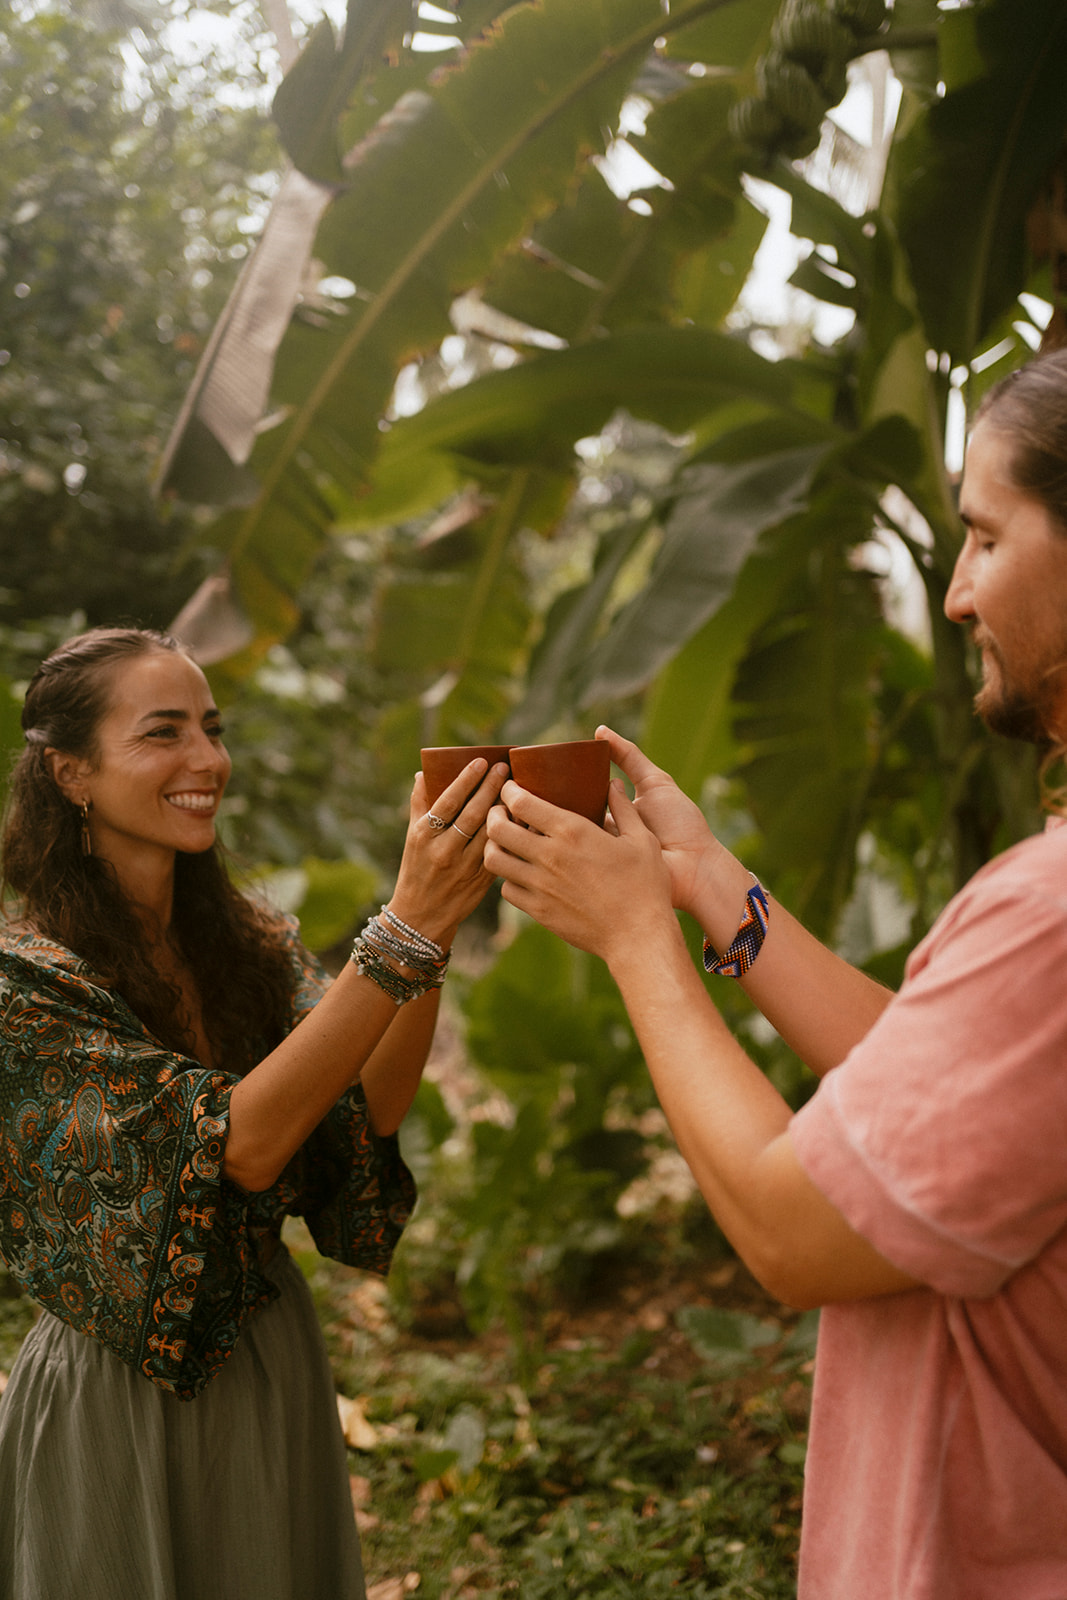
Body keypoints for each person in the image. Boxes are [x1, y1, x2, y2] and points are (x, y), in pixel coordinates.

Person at [484, 347, 1067, 1600]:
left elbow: (791, 1232)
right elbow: (925, 1097)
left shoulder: (1047, 916)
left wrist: (638, 938)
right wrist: (707, 884)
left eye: (984, 539)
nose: (956, 594)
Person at [0, 625, 507, 1600]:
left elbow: (368, 1100)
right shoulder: (25, 984)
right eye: (163, 733)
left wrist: (433, 925)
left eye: (212, 727)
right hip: (120, 1401)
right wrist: (398, 931)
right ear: (71, 771)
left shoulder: (248, 939)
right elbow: (237, 1144)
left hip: (271, 1357)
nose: (208, 760)